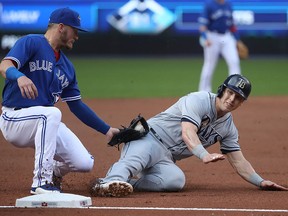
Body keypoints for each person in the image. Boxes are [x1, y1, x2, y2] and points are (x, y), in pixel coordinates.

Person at [89, 74, 288, 197]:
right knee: (134, 161)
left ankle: (126, 183)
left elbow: (238, 161)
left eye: (238, 98)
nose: (231, 99)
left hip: (167, 158)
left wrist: (260, 181)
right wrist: (204, 155)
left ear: (241, 103)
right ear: (222, 90)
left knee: (175, 181)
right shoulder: (199, 100)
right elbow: (188, 132)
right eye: (230, 92)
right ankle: (107, 182)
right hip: (149, 138)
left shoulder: (228, 128)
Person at [0, 7, 119, 195]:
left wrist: (106, 129)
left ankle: (55, 171)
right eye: (75, 30)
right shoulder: (31, 42)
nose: (77, 36)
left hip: (44, 121)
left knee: (84, 162)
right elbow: (5, 64)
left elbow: (77, 105)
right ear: (61, 27)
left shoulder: (68, 68)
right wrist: (19, 76)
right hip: (14, 118)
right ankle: (41, 181)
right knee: (52, 113)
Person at [198, 0, 242, 92]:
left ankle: (235, 90)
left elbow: (232, 25)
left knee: (234, 61)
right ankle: (204, 92)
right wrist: (205, 38)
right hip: (212, 36)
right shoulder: (209, 5)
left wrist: (237, 40)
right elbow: (202, 26)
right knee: (209, 65)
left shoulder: (228, 4)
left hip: (226, 36)